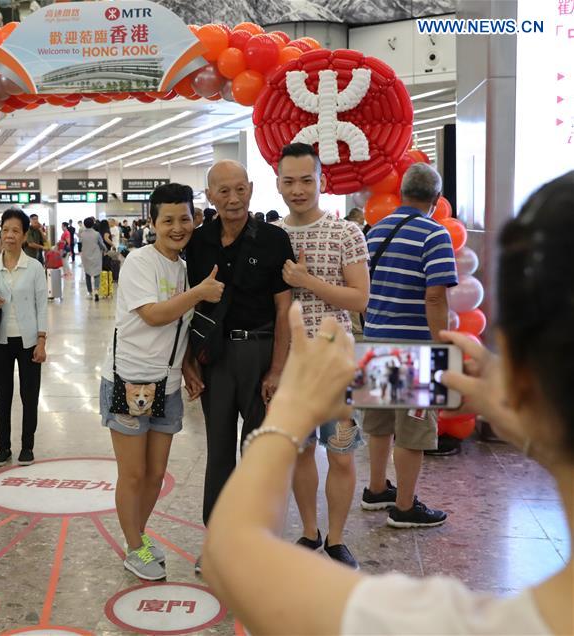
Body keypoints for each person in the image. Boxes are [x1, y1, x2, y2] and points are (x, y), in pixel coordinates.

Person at [202, 173, 574, 636]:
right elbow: (432, 293)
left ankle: (368, 504)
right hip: (407, 349)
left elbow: (229, 555)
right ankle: (389, 500)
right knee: (396, 433)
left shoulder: (431, 622)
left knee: (370, 437)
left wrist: (290, 414)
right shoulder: (430, 233)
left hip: (373, 349)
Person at [101, 184, 225, 581]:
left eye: (184, 218)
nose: (177, 227)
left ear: (196, 219)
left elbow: (181, 328)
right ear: (152, 223)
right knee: (133, 474)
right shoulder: (140, 260)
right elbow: (154, 315)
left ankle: (138, 538)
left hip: (167, 383)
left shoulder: (184, 266)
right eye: (167, 220)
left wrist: (187, 365)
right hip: (130, 380)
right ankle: (135, 546)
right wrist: (200, 293)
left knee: (156, 475)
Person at [183, 159, 294, 573]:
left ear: (251, 189)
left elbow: (284, 309)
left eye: (239, 189)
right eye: (223, 191)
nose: (233, 199)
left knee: (256, 451)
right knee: (218, 452)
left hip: (261, 352)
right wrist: (187, 362)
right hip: (215, 357)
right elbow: (188, 309)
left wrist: (278, 368)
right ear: (209, 196)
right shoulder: (197, 242)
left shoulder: (273, 239)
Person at [275, 142, 370, 569]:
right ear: (277, 184)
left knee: (341, 452)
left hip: (337, 362)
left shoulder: (346, 232)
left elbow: (359, 298)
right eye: (289, 181)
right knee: (300, 451)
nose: (298, 189)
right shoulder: (273, 234)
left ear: (321, 181)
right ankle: (309, 532)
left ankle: (336, 538)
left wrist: (307, 280)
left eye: (305, 180)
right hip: (291, 365)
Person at [361, 162, 458, 527]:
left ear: (402, 193)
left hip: (375, 340)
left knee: (380, 422)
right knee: (413, 429)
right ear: (435, 199)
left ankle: (375, 490)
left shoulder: (374, 232)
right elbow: (435, 298)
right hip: (414, 346)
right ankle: (404, 507)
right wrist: (442, 349)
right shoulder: (435, 234)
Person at [0, 208, 48, 467]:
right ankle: (3, 447)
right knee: (2, 396)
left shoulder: (34, 267)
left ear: (25, 235)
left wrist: (41, 341)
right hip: (0, 341)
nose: (9, 236)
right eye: (5, 230)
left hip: (28, 343)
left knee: (30, 395)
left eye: (15, 230)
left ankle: (27, 446)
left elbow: (42, 306)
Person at [80, 217, 105, 302]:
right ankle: (97, 291)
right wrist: (105, 249)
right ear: (93, 224)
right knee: (97, 274)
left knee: (87, 274)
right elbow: (101, 244)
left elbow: (81, 244)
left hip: (86, 256)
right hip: (96, 255)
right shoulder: (96, 234)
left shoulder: (82, 234)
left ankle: (90, 293)